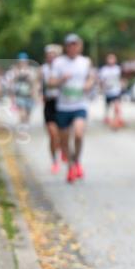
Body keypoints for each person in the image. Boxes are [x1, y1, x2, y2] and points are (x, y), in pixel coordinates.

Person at [49, 34, 94, 183]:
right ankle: (69, 167)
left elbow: (91, 77)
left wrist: (89, 84)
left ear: (80, 46)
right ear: (66, 47)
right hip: (63, 106)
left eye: (75, 45)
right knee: (64, 140)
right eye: (70, 45)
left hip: (80, 104)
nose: (73, 47)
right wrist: (62, 79)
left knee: (79, 134)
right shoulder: (58, 63)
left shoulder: (85, 62)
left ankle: (77, 161)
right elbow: (50, 82)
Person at [40, 44, 63, 173]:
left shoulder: (62, 69)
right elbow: (38, 84)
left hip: (61, 103)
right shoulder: (42, 70)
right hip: (49, 104)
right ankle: (54, 161)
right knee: (52, 134)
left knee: (61, 135)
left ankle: (62, 150)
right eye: (49, 56)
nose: (51, 58)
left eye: (54, 56)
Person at [99, 53, 124, 128]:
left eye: (112, 59)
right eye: (109, 59)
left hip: (116, 90)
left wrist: (122, 85)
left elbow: (121, 78)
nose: (111, 60)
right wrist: (102, 87)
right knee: (108, 106)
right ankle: (107, 117)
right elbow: (101, 80)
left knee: (117, 106)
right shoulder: (104, 69)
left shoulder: (118, 69)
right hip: (107, 91)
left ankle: (117, 120)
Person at [11, 53, 35, 125]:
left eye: (24, 61)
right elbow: (12, 82)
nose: (22, 63)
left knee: (28, 114)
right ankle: (22, 126)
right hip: (19, 94)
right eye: (21, 61)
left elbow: (34, 82)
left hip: (29, 94)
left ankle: (25, 125)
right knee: (22, 112)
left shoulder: (31, 70)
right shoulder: (15, 70)